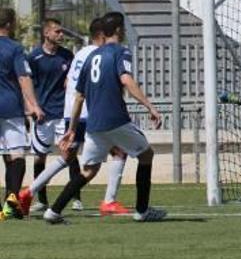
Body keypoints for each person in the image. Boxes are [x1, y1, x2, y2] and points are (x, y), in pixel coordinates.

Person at [43, 12, 164, 224]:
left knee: (89, 171)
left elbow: (79, 96)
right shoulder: (120, 52)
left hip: (94, 124)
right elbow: (126, 79)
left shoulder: (91, 57)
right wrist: (150, 106)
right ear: (118, 30)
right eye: (123, 28)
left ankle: (54, 211)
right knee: (146, 155)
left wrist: (72, 129)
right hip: (115, 120)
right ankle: (142, 211)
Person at [19, 18, 131, 216]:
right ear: (103, 35)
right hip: (90, 112)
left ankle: (29, 192)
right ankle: (109, 201)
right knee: (119, 152)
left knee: (66, 157)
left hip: (71, 112)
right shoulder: (101, 54)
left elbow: (67, 83)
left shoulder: (79, 54)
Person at [21, 18, 75, 212]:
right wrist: (32, 107)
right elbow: (26, 85)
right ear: (47, 34)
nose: (61, 35)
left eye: (62, 32)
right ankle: (41, 200)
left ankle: (76, 198)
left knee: (69, 153)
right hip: (43, 115)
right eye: (57, 32)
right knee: (39, 157)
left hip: (63, 114)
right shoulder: (33, 57)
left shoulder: (67, 55)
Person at [0, 8, 44, 219]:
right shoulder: (14, 48)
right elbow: (23, 78)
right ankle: (11, 201)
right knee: (17, 154)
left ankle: (10, 204)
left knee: (6, 155)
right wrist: (34, 105)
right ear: (10, 24)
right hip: (9, 107)